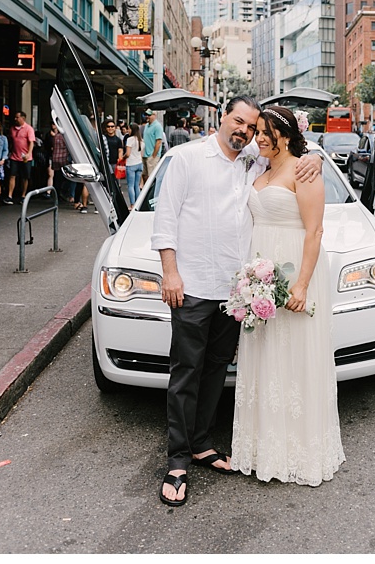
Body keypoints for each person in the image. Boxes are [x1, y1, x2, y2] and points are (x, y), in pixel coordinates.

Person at [148, 96, 322, 507]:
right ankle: (177, 460)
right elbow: (165, 217)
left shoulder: (254, 159)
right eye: (239, 121)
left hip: (235, 291)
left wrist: (316, 155)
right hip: (191, 285)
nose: (245, 131)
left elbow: (288, 149)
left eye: (251, 126)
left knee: (215, 368)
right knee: (185, 371)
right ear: (222, 118)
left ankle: (202, 443)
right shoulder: (187, 158)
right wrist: (170, 272)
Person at [232, 106, 344, 486]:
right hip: (260, 273)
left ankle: (300, 449)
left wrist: (302, 285)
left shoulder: (304, 170)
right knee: (266, 356)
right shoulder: (257, 168)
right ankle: (266, 447)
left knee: (297, 357)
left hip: (296, 268)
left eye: (267, 132)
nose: (259, 137)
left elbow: (314, 232)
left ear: (286, 135)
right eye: (257, 131)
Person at [6, 111, 36, 205]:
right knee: (12, 175)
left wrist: (28, 153)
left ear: (23, 118)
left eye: (17, 117)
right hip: (14, 156)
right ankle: (9, 196)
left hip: (25, 157)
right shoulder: (12, 129)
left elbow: (31, 142)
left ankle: (23, 196)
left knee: (25, 177)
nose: (15, 119)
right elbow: (11, 140)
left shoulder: (29, 129)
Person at [143, 111, 165, 188]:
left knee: (151, 178)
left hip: (152, 156)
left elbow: (158, 141)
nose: (147, 116)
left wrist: (153, 156)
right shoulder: (146, 126)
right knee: (145, 176)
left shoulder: (157, 126)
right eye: (146, 115)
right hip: (145, 154)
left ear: (154, 115)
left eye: (149, 115)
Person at [124, 123, 143, 199]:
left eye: (129, 129)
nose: (128, 131)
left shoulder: (129, 139)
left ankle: (132, 204)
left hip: (131, 164)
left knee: (131, 185)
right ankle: (137, 204)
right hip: (139, 163)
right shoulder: (141, 140)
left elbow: (128, 154)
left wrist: (123, 157)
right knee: (137, 185)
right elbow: (142, 154)